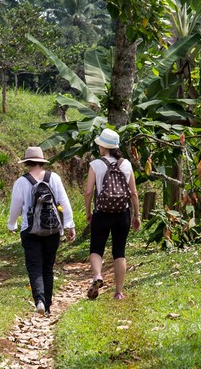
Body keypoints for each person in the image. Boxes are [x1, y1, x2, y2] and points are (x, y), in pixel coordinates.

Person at [8, 146, 76, 316]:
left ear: (27, 163)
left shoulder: (21, 182)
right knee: (48, 267)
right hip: (52, 229)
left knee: (34, 266)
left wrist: (12, 225)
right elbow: (64, 203)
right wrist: (69, 224)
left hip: (30, 230)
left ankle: (39, 300)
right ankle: (47, 306)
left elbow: (15, 207)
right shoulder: (54, 178)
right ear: (41, 161)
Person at [84, 127, 140, 300]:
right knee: (119, 252)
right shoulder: (127, 164)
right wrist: (136, 215)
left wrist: (88, 211)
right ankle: (119, 292)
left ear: (103, 147)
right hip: (122, 213)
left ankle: (97, 276)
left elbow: (88, 192)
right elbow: (134, 193)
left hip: (101, 212)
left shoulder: (96, 164)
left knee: (96, 248)